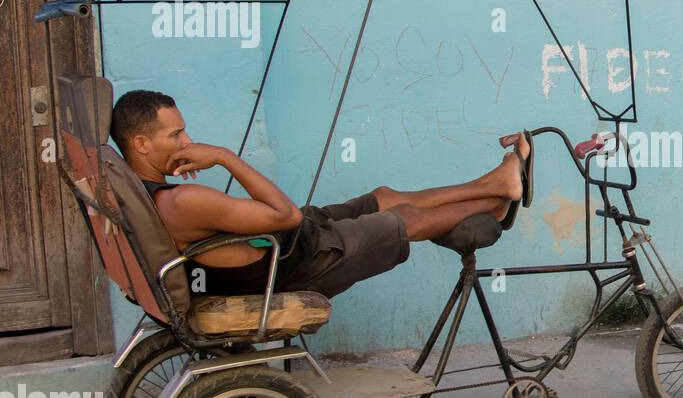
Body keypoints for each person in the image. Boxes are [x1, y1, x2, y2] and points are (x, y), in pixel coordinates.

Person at [108, 89, 530, 298]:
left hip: (288, 245)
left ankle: (496, 185)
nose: (187, 142)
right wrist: (223, 157)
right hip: (297, 260)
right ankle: (493, 204)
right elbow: (286, 215)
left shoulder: (142, 190)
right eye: (176, 134)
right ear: (141, 145)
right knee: (402, 219)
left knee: (382, 196)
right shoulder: (181, 202)